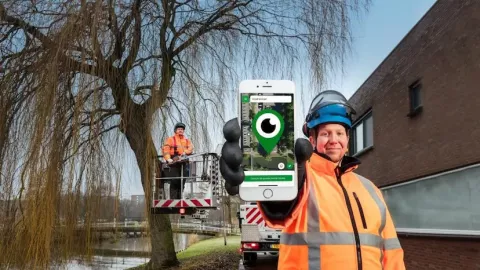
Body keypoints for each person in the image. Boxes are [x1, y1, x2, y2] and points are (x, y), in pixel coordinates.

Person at [220, 90, 405, 270]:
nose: (334, 139)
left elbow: (392, 252)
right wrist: (270, 185)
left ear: (347, 139)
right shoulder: (302, 178)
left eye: (340, 133)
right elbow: (280, 208)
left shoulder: (370, 189)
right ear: (312, 140)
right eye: (325, 133)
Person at [162, 122, 194, 199]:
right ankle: (174, 200)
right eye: (179, 129)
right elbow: (166, 150)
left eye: (182, 129)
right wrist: (168, 158)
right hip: (174, 163)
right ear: (176, 130)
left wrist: (184, 152)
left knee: (182, 181)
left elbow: (190, 149)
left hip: (184, 162)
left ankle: (179, 199)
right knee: (174, 181)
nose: (180, 130)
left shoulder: (187, 141)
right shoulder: (170, 139)